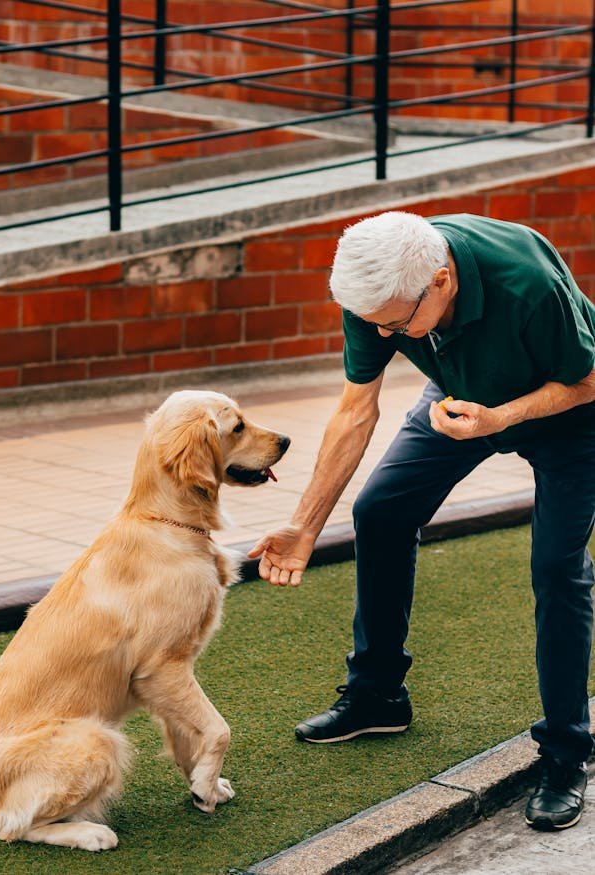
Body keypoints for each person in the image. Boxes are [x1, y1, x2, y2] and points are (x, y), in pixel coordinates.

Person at [248, 212, 595, 832]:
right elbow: (357, 409)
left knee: (556, 569)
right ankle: (378, 695)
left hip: (566, 408)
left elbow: (587, 378)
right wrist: (304, 525)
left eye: (395, 322)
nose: (383, 332)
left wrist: (502, 417)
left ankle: (566, 753)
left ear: (440, 282)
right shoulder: (377, 285)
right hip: (459, 400)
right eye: (373, 321)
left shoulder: (527, 281)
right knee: (380, 511)